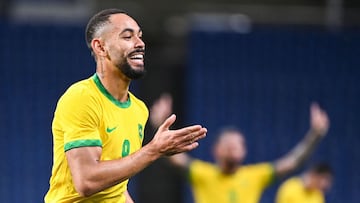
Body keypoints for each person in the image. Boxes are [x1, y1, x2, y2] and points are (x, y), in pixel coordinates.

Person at [44, 8, 207, 203]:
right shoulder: (82, 98)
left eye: (140, 36)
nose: (140, 44)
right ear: (101, 47)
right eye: (128, 36)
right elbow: (86, 181)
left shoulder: (138, 109)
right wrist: (153, 150)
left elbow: (117, 189)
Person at [169, 102, 330, 203]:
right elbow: (173, 158)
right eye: (229, 143)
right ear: (216, 150)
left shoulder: (255, 176)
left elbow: (293, 162)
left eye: (239, 143)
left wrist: (315, 136)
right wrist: (158, 126)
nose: (235, 146)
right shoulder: (202, 174)